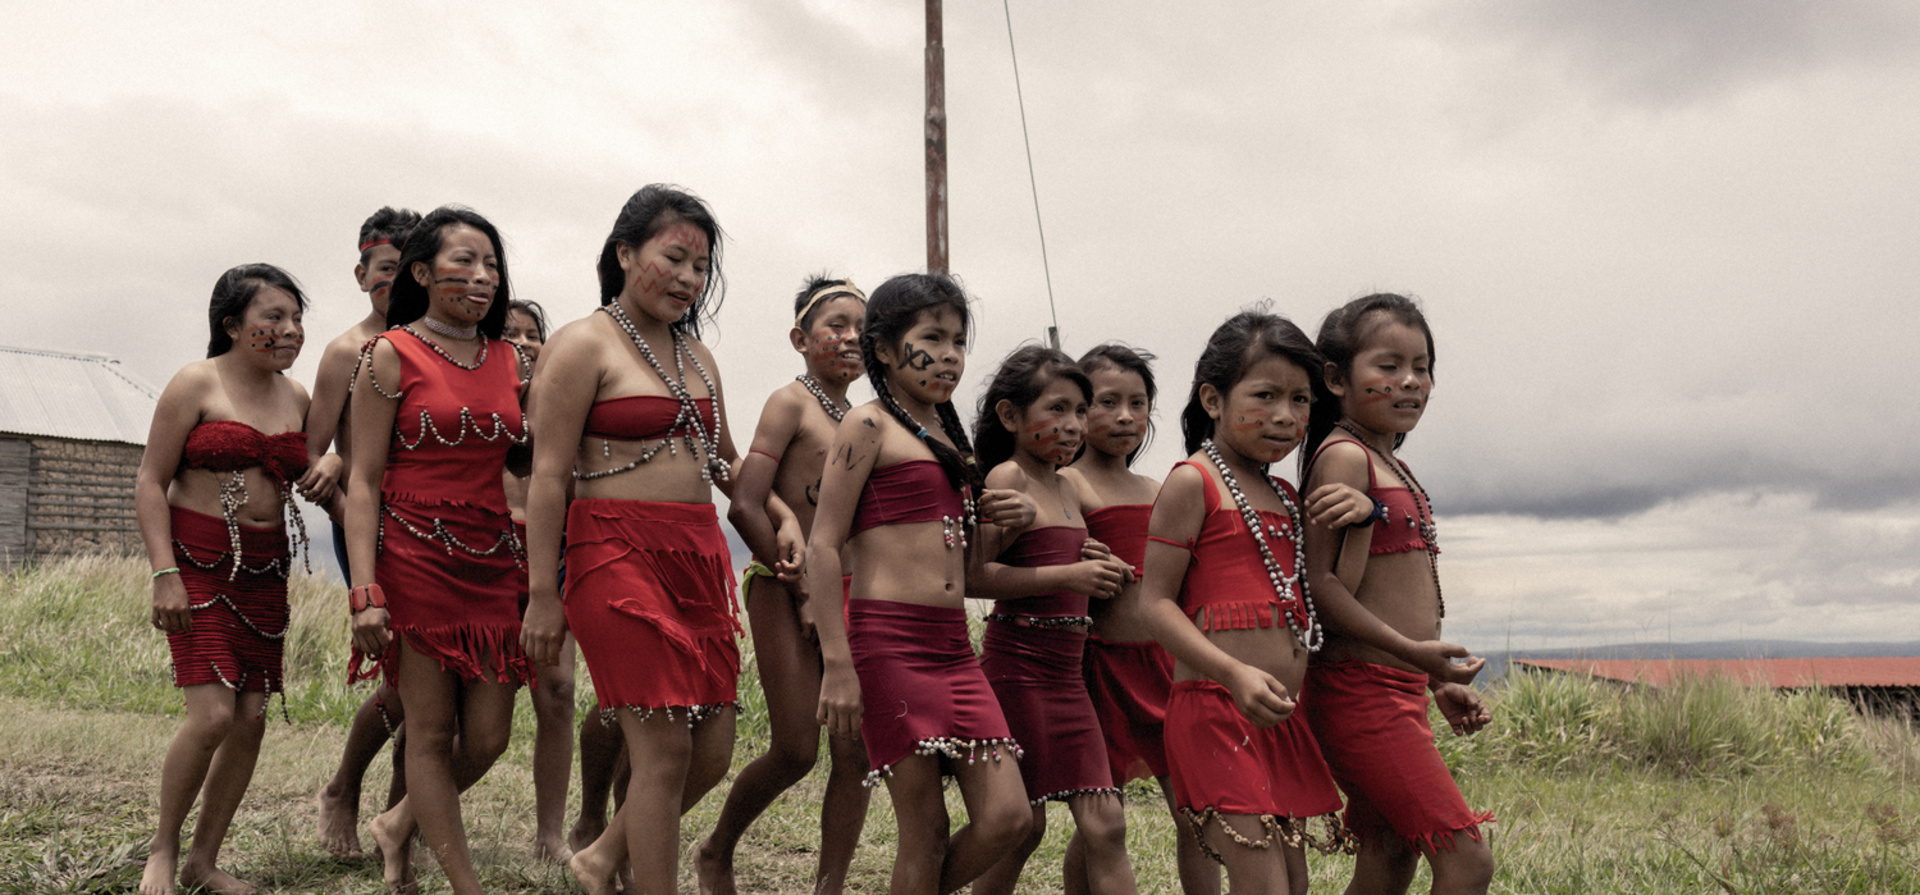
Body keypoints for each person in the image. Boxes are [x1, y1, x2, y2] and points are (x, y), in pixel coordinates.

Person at [519, 185, 795, 895]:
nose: (688, 278)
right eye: (673, 257)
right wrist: (542, 595)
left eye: (700, 266)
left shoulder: (699, 355)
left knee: (712, 747)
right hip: (613, 550)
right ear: (624, 254)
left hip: (698, 554)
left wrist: (781, 516)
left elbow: (725, 459)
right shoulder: (581, 343)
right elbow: (548, 478)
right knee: (665, 746)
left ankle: (601, 855)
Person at [808, 273, 1036, 895]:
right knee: (925, 831)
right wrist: (837, 664)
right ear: (884, 350)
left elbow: (962, 570)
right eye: (931, 337)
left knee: (1009, 817)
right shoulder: (868, 425)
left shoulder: (949, 439)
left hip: (954, 649)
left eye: (959, 341)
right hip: (887, 645)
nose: (949, 355)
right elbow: (824, 544)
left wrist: (1003, 527)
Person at [1138, 309, 1367, 895]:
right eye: (1264, 395)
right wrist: (1234, 672)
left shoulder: (1286, 495)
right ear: (1213, 399)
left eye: (1300, 399)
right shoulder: (1194, 482)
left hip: (1278, 717)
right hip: (1215, 710)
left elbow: (1325, 588)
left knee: (1292, 882)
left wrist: (1366, 516)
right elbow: (1155, 604)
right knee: (1261, 882)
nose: (1286, 416)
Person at [344, 206, 535, 895]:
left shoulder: (509, 357)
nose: (482, 277)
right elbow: (362, 480)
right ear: (421, 272)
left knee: (487, 737)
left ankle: (397, 822)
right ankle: (465, 884)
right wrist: (364, 590)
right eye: (464, 262)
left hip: (490, 562)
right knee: (427, 731)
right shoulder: (390, 353)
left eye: (491, 264)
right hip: (414, 556)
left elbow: (520, 460)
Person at [1299, 293, 1494, 895]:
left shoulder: (1385, 461)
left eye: (1423, 366)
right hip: (1360, 695)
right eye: (1388, 365)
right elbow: (1322, 587)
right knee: (1467, 860)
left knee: (1388, 858)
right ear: (1335, 377)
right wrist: (1416, 656)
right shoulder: (1345, 458)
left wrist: (1436, 680)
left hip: (1397, 690)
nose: (1410, 381)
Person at [134, 264, 318, 895]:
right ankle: (162, 848)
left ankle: (203, 862)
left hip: (267, 571)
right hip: (197, 562)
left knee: (249, 719)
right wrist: (164, 574)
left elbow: (329, 460)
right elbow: (150, 483)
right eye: (274, 317)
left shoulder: (295, 397)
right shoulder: (195, 381)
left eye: (296, 318)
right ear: (233, 325)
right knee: (212, 715)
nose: (290, 329)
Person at [695, 275, 874, 895]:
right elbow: (746, 502)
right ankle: (716, 851)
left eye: (862, 328)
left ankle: (830, 886)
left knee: (856, 755)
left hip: (848, 593)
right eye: (837, 326)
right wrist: (804, 594)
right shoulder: (789, 403)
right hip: (783, 583)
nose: (852, 338)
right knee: (797, 748)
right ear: (801, 338)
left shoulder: (865, 420)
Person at [966, 345, 1139, 895]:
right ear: (1011, 416)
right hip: (1017, 667)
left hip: (1068, 677)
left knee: (1106, 824)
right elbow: (973, 577)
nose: (1073, 425)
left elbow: (1067, 557)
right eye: (1057, 409)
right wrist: (1066, 577)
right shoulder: (1009, 476)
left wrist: (1103, 563)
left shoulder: (1066, 486)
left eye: (1080, 412)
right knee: (1025, 827)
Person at [1060, 344, 1218, 895]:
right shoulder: (1066, 485)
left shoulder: (1158, 490)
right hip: (1098, 667)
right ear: (1077, 408)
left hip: (1164, 667)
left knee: (1196, 812)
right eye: (1107, 402)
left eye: (1138, 402)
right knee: (1104, 820)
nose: (1125, 416)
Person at [312, 205, 421, 861]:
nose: (398, 282)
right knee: (407, 682)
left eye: (411, 270)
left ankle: (402, 813)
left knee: (437, 687)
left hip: (439, 531)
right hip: (366, 531)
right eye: (386, 271)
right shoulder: (347, 351)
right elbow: (309, 451)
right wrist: (334, 468)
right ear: (362, 274)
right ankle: (345, 789)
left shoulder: (443, 347)